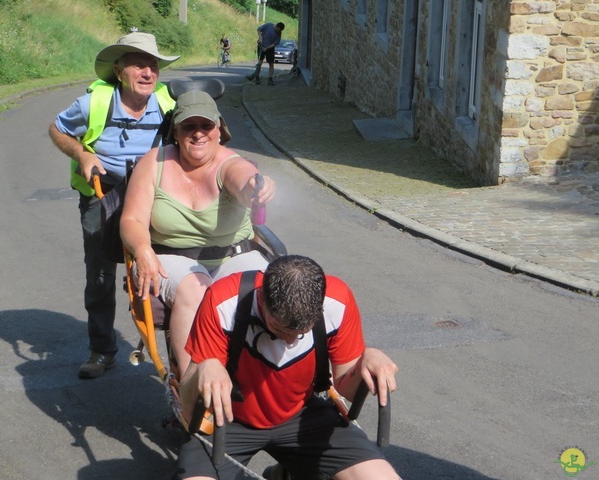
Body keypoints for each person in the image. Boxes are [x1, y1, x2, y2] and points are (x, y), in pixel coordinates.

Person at [177, 255, 401, 480]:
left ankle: (285, 473)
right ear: (262, 299)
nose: (291, 341)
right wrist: (203, 369)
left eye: (302, 332)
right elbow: (187, 408)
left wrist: (367, 363)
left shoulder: (338, 299)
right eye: (281, 329)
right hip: (230, 418)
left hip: (301, 414)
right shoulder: (224, 300)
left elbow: (347, 389)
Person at [48, 31, 180, 379]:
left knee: (167, 271)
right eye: (139, 65)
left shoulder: (169, 106)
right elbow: (58, 129)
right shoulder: (94, 103)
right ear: (120, 70)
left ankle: (177, 355)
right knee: (102, 274)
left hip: (151, 194)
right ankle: (103, 350)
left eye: (153, 66)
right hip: (102, 192)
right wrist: (82, 153)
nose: (148, 73)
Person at [119, 87, 276, 378]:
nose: (198, 133)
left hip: (233, 255)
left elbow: (243, 180)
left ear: (219, 131)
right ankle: (192, 381)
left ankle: (262, 374)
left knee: (265, 288)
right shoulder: (154, 163)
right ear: (175, 133)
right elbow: (132, 220)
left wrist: (258, 187)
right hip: (171, 257)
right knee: (196, 287)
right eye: (189, 126)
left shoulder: (229, 162)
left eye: (206, 126)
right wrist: (142, 250)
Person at [246, 22, 285, 86]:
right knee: (260, 63)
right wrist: (260, 37)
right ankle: (257, 77)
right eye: (278, 30)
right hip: (262, 46)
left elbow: (275, 43)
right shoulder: (268, 25)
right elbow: (258, 29)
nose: (278, 32)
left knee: (271, 64)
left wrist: (267, 48)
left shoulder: (279, 33)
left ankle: (270, 79)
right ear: (277, 26)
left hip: (270, 49)